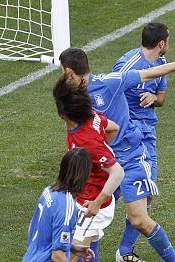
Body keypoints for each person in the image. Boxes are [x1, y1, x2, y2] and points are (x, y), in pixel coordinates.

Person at [58, 47, 175, 262]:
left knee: (139, 220)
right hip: (100, 166)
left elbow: (146, 74)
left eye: (63, 73)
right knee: (89, 228)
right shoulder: (72, 99)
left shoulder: (109, 82)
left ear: (70, 73)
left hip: (128, 158)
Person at [111, 22, 170, 257]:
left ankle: (125, 250)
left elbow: (162, 99)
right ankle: (86, 240)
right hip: (126, 138)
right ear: (161, 43)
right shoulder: (128, 65)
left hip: (148, 135)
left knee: (148, 194)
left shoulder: (162, 63)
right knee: (112, 192)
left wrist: (153, 97)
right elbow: (109, 93)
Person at [53, 76, 125, 262]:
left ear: (63, 114)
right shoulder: (91, 116)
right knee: (83, 252)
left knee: (67, 256)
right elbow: (113, 128)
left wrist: (97, 203)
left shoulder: (88, 142)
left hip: (93, 204)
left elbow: (118, 173)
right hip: (81, 196)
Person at [23, 148, 96, 262]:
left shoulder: (49, 191)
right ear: (84, 174)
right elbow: (57, 256)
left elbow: (33, 227)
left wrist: (70, 247)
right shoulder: (67, 208)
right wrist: (61, 250)